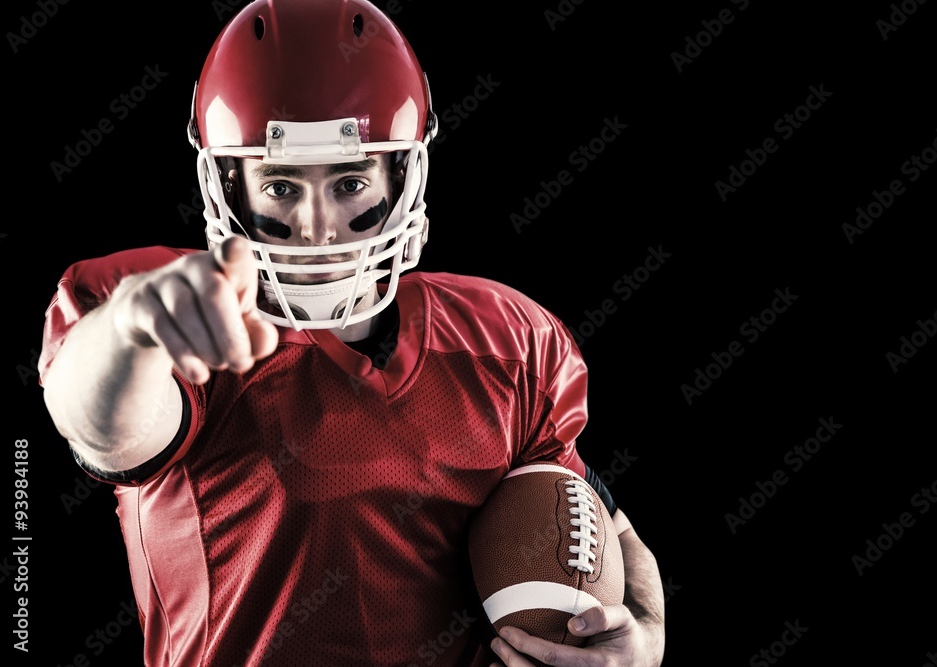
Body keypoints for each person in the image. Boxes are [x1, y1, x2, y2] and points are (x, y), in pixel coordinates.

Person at [38, 0, 666, 665]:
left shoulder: (509, 338)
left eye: (349, 181)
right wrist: (134, 326)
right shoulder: (189, 320)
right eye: (280, 186)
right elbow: (101, 426)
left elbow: (591, 506)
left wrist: (646, 627)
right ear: (229, 185)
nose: (317, 226)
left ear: (401, 176)